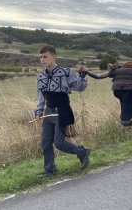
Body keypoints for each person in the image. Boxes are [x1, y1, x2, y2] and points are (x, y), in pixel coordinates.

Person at [34, 45, 90, 177]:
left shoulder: (66, 72)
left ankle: (82, 152)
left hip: (62, 110)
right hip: (49, 111)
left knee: (59, 143)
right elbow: (41, 96)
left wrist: (82, 76)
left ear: (54, 57)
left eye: (45, 57)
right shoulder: (41, 75)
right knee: (45, 141)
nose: (42, 60)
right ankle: (49, 169)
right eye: (40, 57)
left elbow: (80, 87)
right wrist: (38, 111)